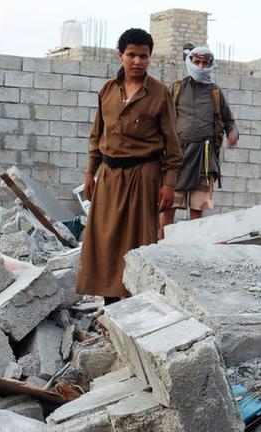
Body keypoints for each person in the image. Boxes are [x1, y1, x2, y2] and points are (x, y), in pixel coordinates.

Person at [76, 28, 183, 302]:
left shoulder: (160, 93)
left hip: (143, 175)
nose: (138, 61)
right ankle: (110, 302)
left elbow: (172, 144)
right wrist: (91, 172)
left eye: (143, 56)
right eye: (132, 55)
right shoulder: (107, 90)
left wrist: (169, 185)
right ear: (120, 55)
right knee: (104, 238)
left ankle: (136, 302)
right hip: (109, 176)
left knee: (137, 241)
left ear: (150, 58)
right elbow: (96, 135)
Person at [160, 46, 239, 231]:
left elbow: (229, 121)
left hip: (205, 158)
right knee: (168, 206)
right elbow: (161, 119)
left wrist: (233, 133)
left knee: (198, 209)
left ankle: (192, 251)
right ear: (189, 62)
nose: (201, 66)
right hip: (177, 158)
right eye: (197, 62)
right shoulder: (177, 88)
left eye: (205, 63)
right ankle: (161, 246)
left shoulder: (215, 92)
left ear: (211, 65)